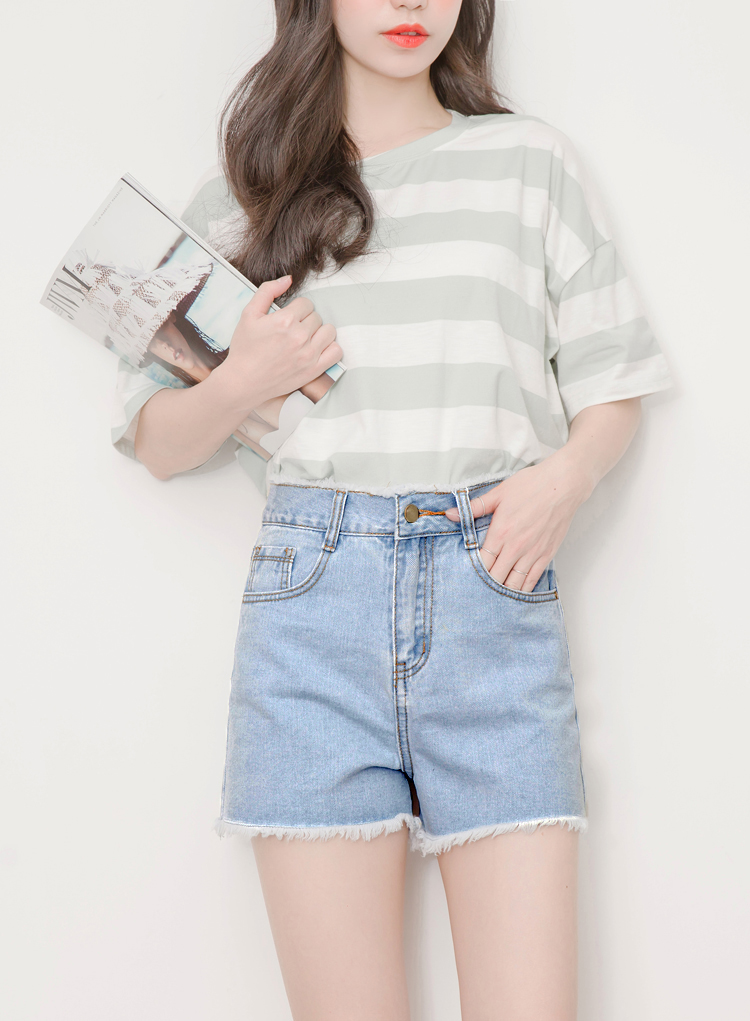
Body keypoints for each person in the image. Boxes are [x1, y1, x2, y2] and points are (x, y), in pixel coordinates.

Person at [119, 1, 673, 1018]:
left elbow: (614, 386)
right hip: (312, 620)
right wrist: (246, 379)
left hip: (494, 595)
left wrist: (563, 482)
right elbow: (156, 439)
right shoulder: (244, 195)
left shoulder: (528, 162)